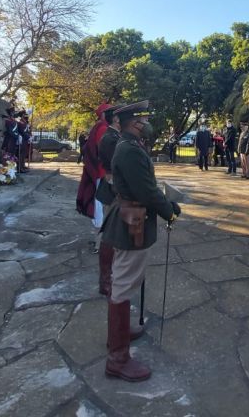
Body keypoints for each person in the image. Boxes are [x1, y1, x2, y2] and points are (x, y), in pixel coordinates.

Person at [101, 100, 180, 382]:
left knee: (126, 280)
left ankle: (119, 335)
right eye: (143, 119)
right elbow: (146, 191)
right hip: (131, 219)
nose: (146, 122)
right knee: (123, 283)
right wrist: (169, 211)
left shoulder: (131, 146)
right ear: (133, 122)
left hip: (132, 216)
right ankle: (118, 358)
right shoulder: (129, 150)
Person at [94, 104, 122, 297]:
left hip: (113, 186)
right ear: (116, 119)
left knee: (113, 234)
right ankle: (106, 280)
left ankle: (111, 277)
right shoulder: (110, 138)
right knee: (110, 235)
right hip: (112, 188)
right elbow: (115, 166)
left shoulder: (113, 136)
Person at [76, 103, 114, 220]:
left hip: (100, 170)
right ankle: (100, 229)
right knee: (100, 201)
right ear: (103, 114)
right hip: (101, 170)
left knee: (100, 200)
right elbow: (103, 150)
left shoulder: (102, 126)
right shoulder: (102, 128)